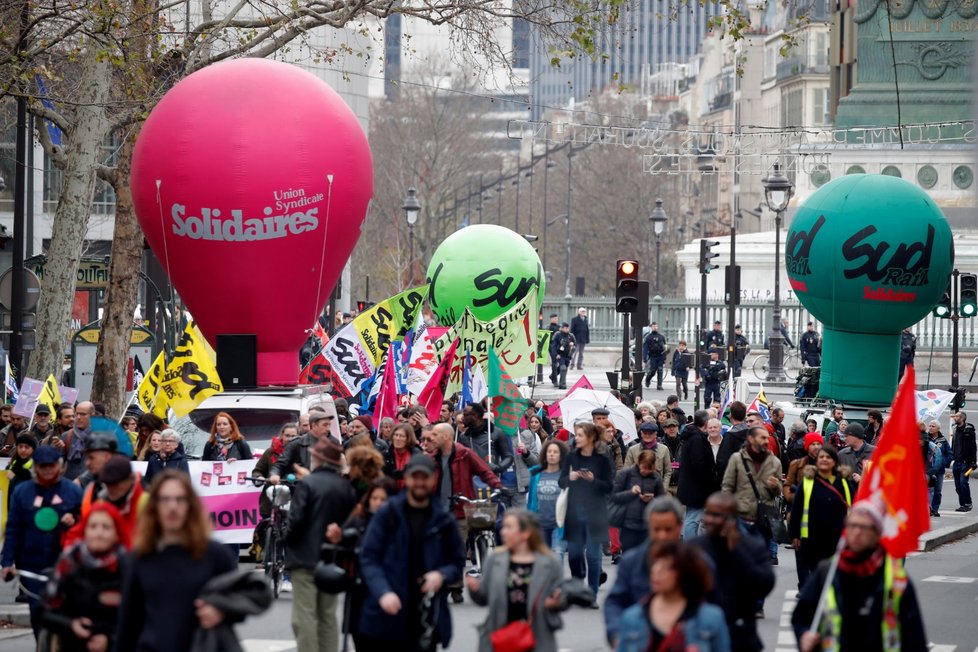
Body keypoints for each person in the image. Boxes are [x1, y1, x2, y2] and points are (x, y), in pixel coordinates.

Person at [115, 471, 238, 650]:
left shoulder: (216, 555)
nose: (172, 506)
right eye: (165, 499)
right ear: (154, 506)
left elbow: (243, 599)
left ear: (191, 506)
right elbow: (128, 623)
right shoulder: (138, 559)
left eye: (180, 499)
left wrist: (221, 610)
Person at [358, 454, 465, 652]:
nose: (419, 483)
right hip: (388, 610)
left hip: (426, 614)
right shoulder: (387, 513)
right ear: (406, 479)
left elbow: (457, 562)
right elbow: (369, 558)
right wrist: (383, 592)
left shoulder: (443, 519)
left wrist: (441, 574)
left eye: (424, 478)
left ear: (433, 479)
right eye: (415, 477)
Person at [792, 500, 926, 651]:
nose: (856, 532)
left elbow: (915, 638)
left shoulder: (896, 578)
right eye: (852, 526)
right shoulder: (828, 571)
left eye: (863, 527)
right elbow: (801, 617)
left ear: (877, 533)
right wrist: (803, 636)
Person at [1, 445, 83, 635]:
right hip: (32, 564)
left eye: (51, 465)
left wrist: (75, 519)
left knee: (64, 615)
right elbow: (13, 529)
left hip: (66, 563)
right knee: (37, 614)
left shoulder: (72, 491)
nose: (47, 470)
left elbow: (86, 523)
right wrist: (6, 562)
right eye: (43, 466)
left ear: (60, 466)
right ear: (35, 467)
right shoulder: (22, 492)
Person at [284, 438, 357, 652]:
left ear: (318, 458)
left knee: (304, 616)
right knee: (327, 615)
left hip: (305, 558)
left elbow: (295, 521)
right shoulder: (345, 487)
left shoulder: (308, 484)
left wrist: (286, 541)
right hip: (332, 558)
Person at [466, 510, 567, 652]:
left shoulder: (550, 563)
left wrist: (558, 601)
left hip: (537, 638)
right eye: (503, 527)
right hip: (501, 636)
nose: (503, 532)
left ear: (526, 533)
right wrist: (474, 589)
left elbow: (561, 598)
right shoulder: (494, 560)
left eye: (509, 527)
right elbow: (483, 598)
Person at [427, 422, 501, 603]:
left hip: (460, 509)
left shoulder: (464, 454)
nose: (431, 438)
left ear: (446, 437)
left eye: (435, 435)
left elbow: (484, 471)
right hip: (437, 511)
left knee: (457, 548)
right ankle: (444, 582)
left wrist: (497, 486)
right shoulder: (431, 457)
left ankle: (455, 586)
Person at [41, 502, 128, 652]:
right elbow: (44, 610)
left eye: (106, 527)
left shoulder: (128, 567)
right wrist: (71, 625)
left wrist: (110, 639)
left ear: (116, 532)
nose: (99, 533)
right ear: (85, 530)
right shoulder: (69, 562)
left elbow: (139, 618)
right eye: (93, 526)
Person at [693, 492, 774, 651]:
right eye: (707, 514)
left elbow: (765, 584)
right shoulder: (695, 549)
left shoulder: (752, 547)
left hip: (740, 634)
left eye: (716, 515)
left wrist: (737, 551)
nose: (709, 520)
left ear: (732, 519)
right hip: (703, 635)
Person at [615, 540, 730, 652]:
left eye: (667, 567)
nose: (656, 571)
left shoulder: (710, 619)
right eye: (655, 564)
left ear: (684, 572)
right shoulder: (632, 617)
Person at [325, 478, 397, 651]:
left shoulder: (398, 522)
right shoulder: (359, 519)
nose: (378, 503)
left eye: (383, 499)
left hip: (388, 588)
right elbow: (339, 553)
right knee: (360, 639)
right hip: (359, 589)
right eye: (374, 498)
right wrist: (338, 540)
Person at [604, 496, 684, 647]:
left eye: (668, 529)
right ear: (649, 527)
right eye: (657, 529)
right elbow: (615, 601)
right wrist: (616, 634)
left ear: (680, 527)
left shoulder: (695, 562)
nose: (663, 536)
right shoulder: (631, 562)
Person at [559, 422, 613, 602]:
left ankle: (592, 593)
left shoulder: (602, 459)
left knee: (592, 555)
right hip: (574, 512)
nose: (577, 438)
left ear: (590, 438)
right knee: (574, 555)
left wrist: (593, 480)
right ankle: (577, 585)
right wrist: (570, 477)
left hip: (595, 513)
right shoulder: (571, 457)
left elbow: (609, 487)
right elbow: (561, 482)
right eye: (576, 435)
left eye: (580, 435)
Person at [721, 426, 782, 580]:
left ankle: (757, 603)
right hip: (741, 518)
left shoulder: (774, 462)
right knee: (741, 562)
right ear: (751, 439)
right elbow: (727, 486)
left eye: (767, 438)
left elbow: (778, 493)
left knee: (759, 564)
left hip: (763, 520)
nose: (766, 441)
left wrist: (775, 487)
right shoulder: (737, 459)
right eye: (762, 437)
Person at [789, 446, 854, 589]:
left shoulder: (843, 482)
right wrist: (794, 534)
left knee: (834, 577)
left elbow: (853, 507)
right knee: (816, 576)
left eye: (828, 457)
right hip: (812, 539)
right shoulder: (807, 482)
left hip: (837, 539)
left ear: (835, 461)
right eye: (821, 457)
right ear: (816, 461)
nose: (824, 460)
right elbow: (797, 509)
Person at [612, 450, 665, 551]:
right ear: (638, 463)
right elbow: (614, 497)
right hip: (628, 524)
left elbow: (662, 501)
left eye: (649, 468)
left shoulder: (656, 477)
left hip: (648, 525)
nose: (646, 471)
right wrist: (631, 493)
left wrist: (652, 500)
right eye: (644, 467)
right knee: (628, 557)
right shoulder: (626, 474)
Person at [271, 407, 339, 483]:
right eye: (325, 425)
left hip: (325, 488)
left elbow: (339, 469)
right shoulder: (297, 443)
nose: (328, 429)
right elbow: (280, 464)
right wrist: (274, 474)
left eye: (329, 425)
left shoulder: (333, 443)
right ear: (314, 425)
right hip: (300, 488)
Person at [253, 423, 299, 523]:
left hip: (293, 500)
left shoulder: (302, 452)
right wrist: (259, 477)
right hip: (270, 501)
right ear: (282, 435)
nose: (290, 439)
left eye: (293, 436)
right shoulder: (270, 452)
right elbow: (258, 470)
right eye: (287, 435)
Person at [528, 440, 567, 552]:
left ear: (561, 455)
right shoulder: (536, 476)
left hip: (559, 525)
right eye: (549, 451)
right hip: (540, 524)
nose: (551, 454)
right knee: (542, 560)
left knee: (556, 557)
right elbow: (531, 502)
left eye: (555, 452)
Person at [457, 403, 513, 478]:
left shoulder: (496, 433)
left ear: (475, 416)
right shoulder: (463, 437)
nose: (462, 418)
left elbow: (508, 456)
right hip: (471, 481)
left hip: (491, 481)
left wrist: (497, 467)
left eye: (466, 415)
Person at [784, 432, 823, 506]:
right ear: (807, 447)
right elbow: (787, 485)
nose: (816, 447)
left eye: (818, 444)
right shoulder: (797, 465)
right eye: (813, 444)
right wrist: (796, 497)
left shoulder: (826, 464)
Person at [63, 402, 96, 480]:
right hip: (70, 486)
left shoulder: (100, 437)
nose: (78, 417)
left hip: (91, 487)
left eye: (83, 414)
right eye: (76, 414)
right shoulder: (67, 436)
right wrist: (57, 449)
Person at [383, 422, 422, 489]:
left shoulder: (416, 455)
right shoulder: (386, 454)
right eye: (396, 435)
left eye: (402, 436)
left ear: (408, 438)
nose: (398, 438)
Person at [511, 423, 541, 508]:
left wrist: (526, 452)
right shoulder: (493, 435)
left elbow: (536, 463)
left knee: (519, 520)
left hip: (519, 488)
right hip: (500, 488)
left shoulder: (526, 435)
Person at [950, 410, 975, 512]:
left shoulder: (969, 430)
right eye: (955, 416)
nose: (955, 418)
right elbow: (954, 444)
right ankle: (962, 504)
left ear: (962, 418)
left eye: (957, 416)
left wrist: (973, 461)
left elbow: (973, 447)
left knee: (963, 483)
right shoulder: (955, 429)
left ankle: (968, 504)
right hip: (956, 462)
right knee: (957, 486)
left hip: (965, 463)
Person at [926, 419, 951, 517]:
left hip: (939, 470)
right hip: (928, 469)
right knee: (928, 490)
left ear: (938, 428)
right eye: (930, 426)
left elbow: (950, 454)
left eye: (933, 426)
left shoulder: (943, 440)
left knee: (938, 490)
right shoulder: (926, 438)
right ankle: (928, 508)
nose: (931, 428)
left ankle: (935, 509)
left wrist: (942, 463)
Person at [5, 434, 36, 503]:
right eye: (20, 446)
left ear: (33, 449)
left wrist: (14, 478)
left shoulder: (37, 467)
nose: (23, 450)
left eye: (27, 447)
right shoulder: (10, 466)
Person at [550, 322, 575, 389]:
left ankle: (552, 376)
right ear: (562, 328)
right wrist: (556, 354)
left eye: (568, 328)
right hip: (560, 355)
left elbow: (575, 345)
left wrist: (572, 345)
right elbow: (553, 346)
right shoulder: (557, 335)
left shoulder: (571, 336)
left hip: (567, 355)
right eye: (565, 328)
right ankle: (562, 384)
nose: (567, 329)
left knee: (564, 368)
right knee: (563, 368)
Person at [643, 322, 667, 390]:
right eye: (653, 326)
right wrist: (644, 357)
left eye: (656, 326)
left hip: (660, 356)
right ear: (651, 327)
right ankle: (647, 380)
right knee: (652, 371)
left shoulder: (661, 337)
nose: (655, 327)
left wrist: (665, 357)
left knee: (660, 370)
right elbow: (645, 348)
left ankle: (659, 385)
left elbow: (665, 348)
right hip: (653, 356)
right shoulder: (648, 337)